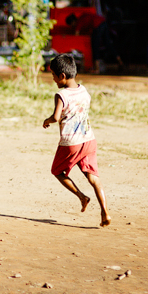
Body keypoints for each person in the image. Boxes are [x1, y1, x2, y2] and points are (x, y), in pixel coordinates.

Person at [42, 54, 110, 227]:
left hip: (71, 143)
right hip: (89, 140)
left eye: (54, 76)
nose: (54, 80)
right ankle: (105, 213)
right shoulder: (84, 90)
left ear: (62, 76)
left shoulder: (61, 95)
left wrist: (47, 120)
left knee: (57, 171)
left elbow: (57, 117)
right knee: (93, 177)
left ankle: (82, 196)